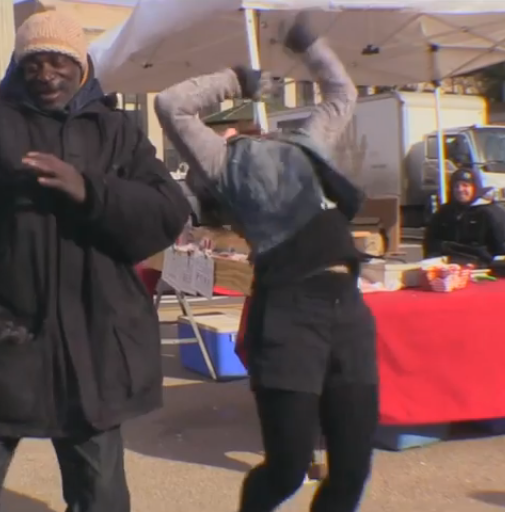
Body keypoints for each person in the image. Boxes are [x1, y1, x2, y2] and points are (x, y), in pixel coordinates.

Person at [0, 7, 190, 512]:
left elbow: (166, 212)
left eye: (59, 61)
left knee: (101, 493)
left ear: (81, 67)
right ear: (18, 68)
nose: (47, 74)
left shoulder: (116, 132)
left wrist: (91, 191)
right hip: (0, 342)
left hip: (92, 350)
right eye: (34, 64)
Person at [156, 13, 376, 512]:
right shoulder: (219, 162)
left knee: (353, 466)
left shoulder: (307, 143)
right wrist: (233, 80)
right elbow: (171, 105)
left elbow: (342, 94)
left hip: (347, 309)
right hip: (288, 315)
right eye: (228, 126)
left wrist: (309, 46)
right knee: (287, 467)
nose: (240, 128)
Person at [423, 167, 505, 265]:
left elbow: (501, 248)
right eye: (456, 186)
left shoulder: (490, 213)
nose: (460, 190)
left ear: (475, 188)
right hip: (446, 266)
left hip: (480, 268)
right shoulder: (444, 212)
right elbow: (430, 242)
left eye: (465, 185)